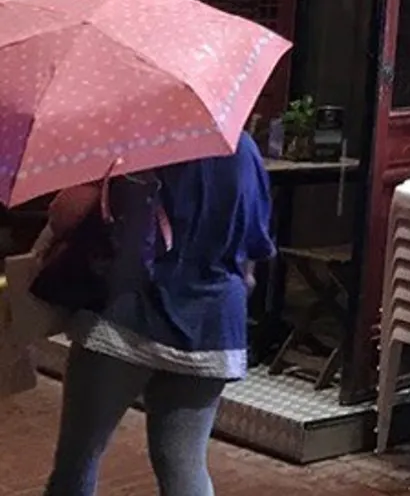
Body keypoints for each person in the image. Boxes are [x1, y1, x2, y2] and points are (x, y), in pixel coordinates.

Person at [38, 134, 275, 496]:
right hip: (213, 327)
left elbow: (66, 213)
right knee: (184, 466)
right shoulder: (244, 149)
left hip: (125, 319)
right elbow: (254, 250)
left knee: (79, 460)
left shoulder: (140, 140)